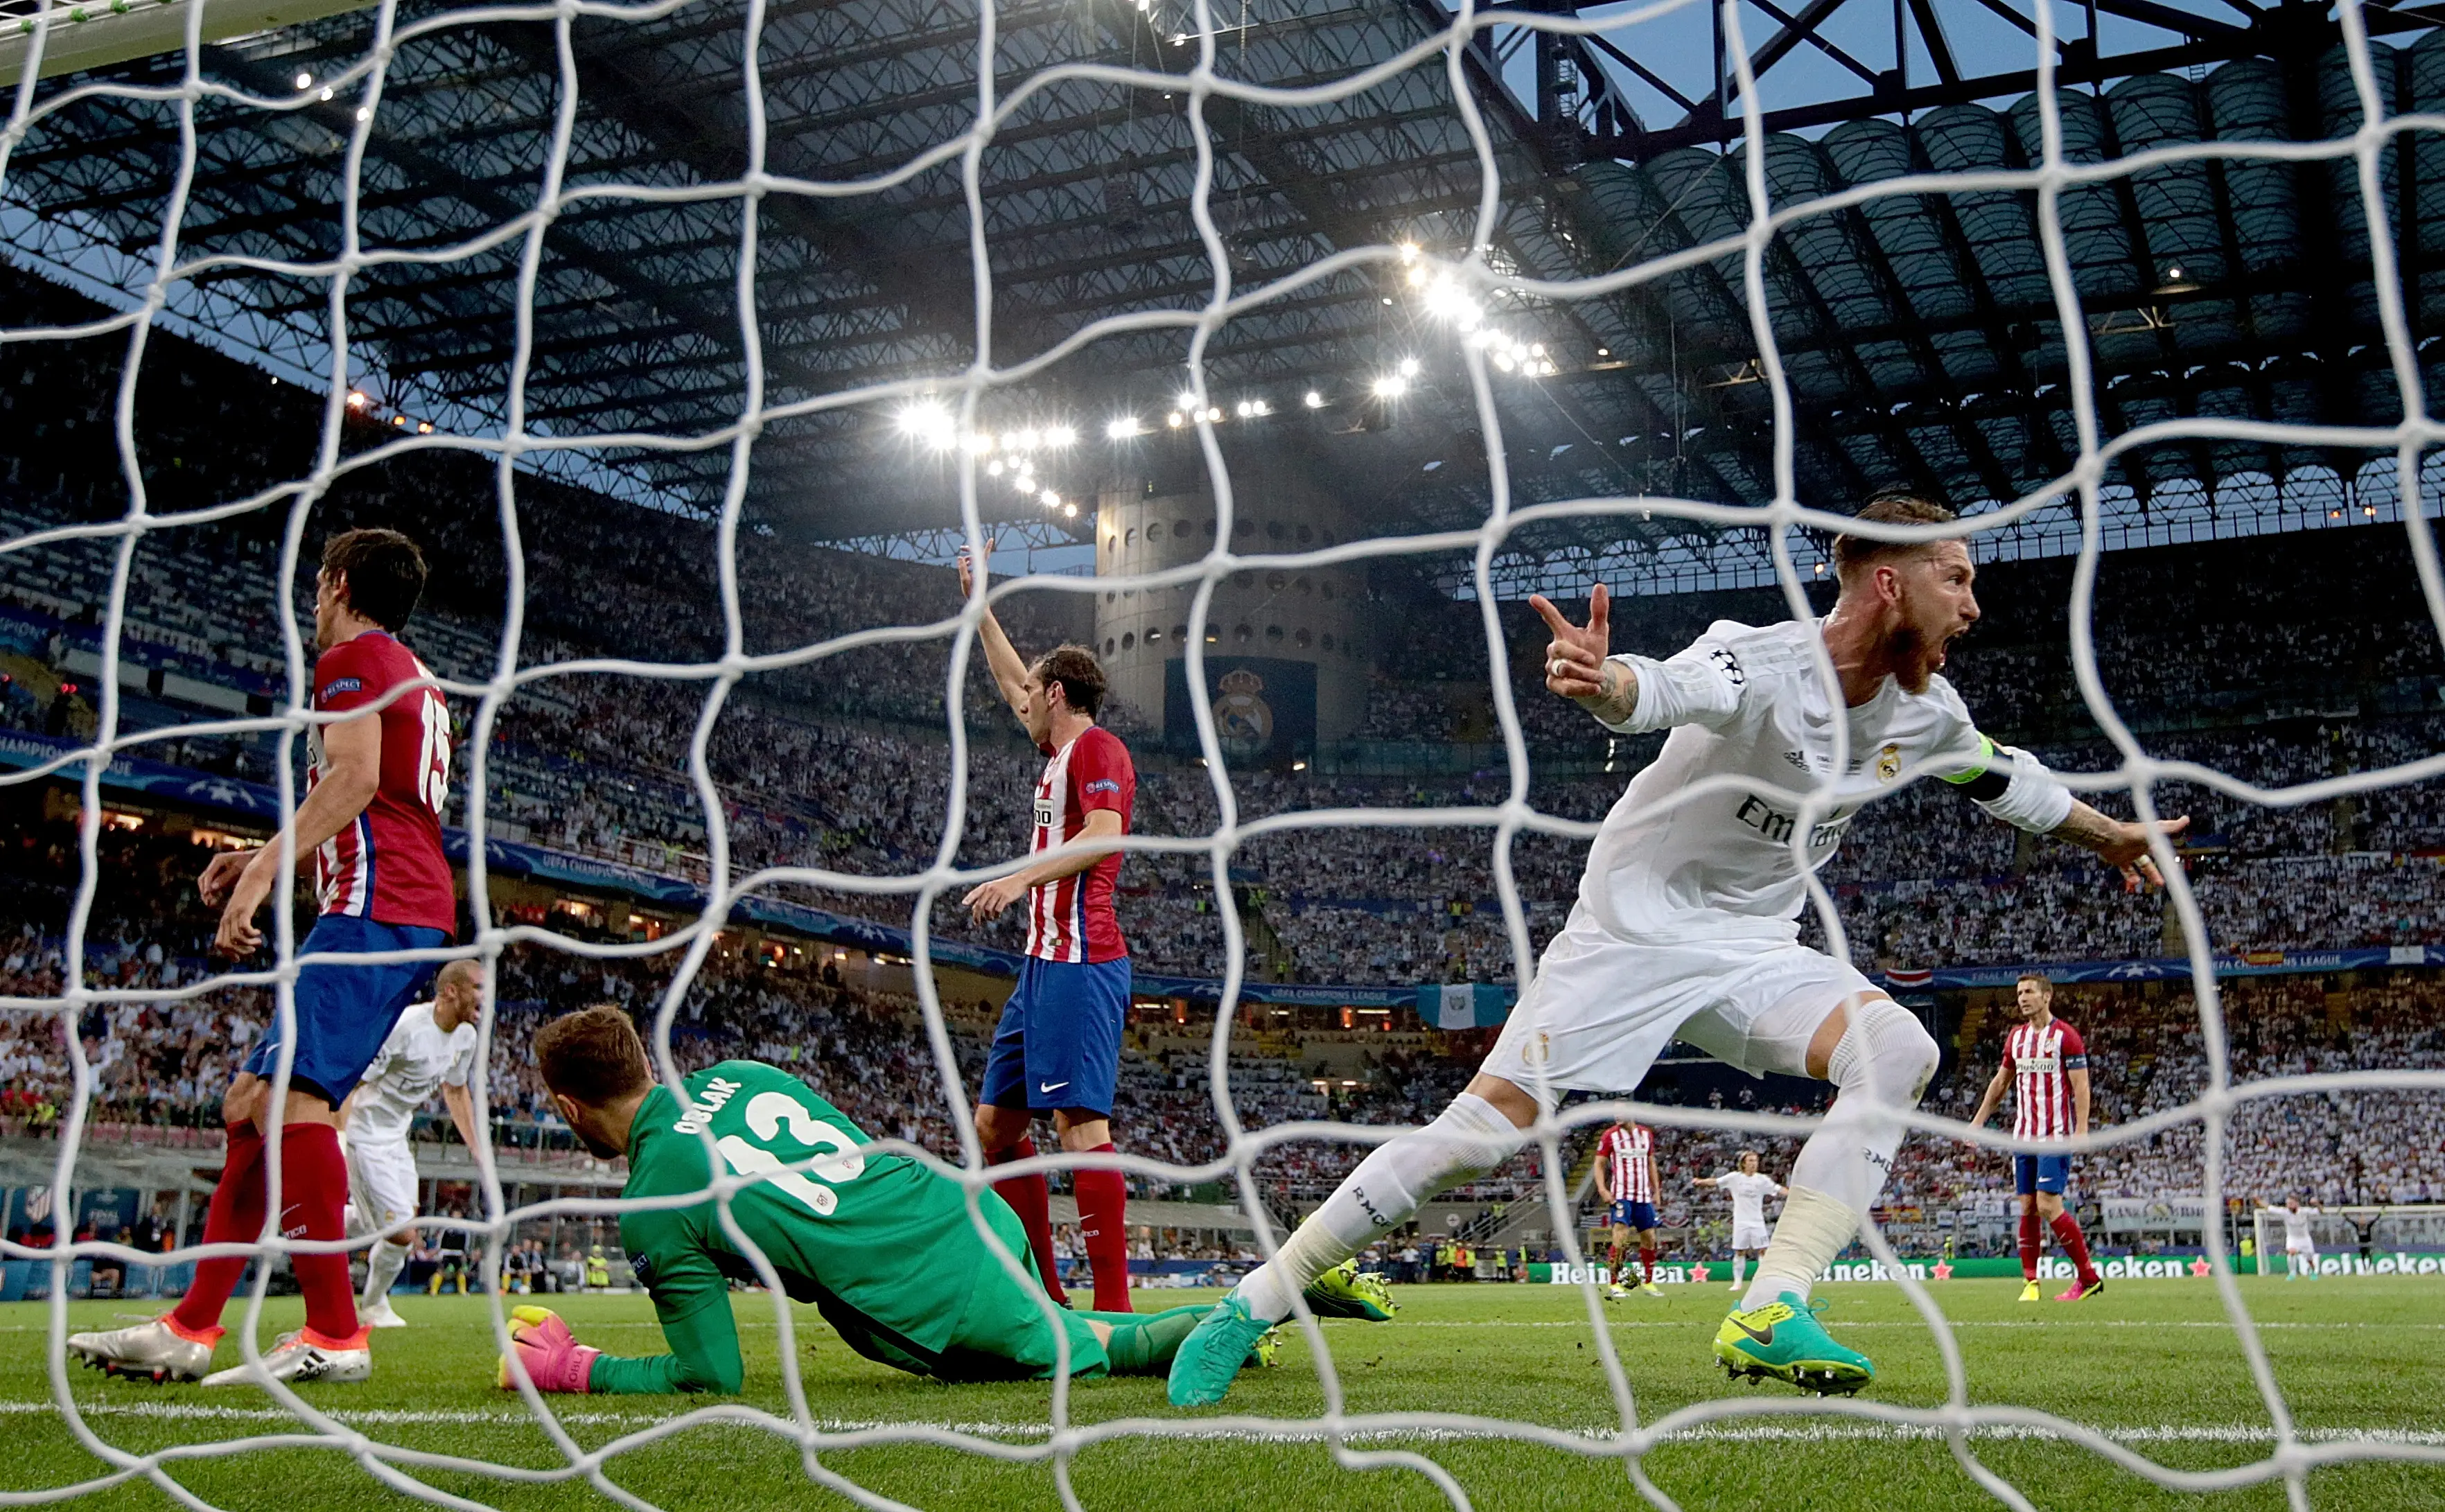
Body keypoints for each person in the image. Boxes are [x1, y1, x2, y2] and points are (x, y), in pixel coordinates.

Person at [1164, 494, 2187, 1407]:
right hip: (1633, 935)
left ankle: (1771, 1305)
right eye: (1956, 579)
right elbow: (1663, 690)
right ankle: (1251, 1303)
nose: (1972, 605)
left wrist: (2114, 836)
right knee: (1477, 1136)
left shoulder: (1926, 714)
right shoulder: (1762, 660)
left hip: (1755, 952)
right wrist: (1603, 679)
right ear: (1890, 581)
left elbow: (2011, 781)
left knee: (1900, 1049)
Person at [493, 1006, 1354, 1394]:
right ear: (646, 1059)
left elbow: (712, 1375)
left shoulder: (650, 1202)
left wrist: (576, 1368)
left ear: (569, 1108)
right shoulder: (740, 1073)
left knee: (1108, 1351)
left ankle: (1269, 1298)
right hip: (960, 1205)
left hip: (931, 1296)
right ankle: (1265, 1308)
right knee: (1085, 1335)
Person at [69, 529, 453, 1387]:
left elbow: (352, 781)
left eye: (319, 581)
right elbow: (378, 800)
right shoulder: (412, 673)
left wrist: (265, 876)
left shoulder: (352, 658)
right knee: (249, 1104)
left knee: (297, 1103)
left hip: (375, 907)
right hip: (390, 901)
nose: (312, 599)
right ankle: (191, 1325)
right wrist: (260, 854)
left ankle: (334, 1330)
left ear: (340, 583)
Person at [956, 543, 1138, 1313]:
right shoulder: (1053, 750)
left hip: (1081, 959)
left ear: (1057, 692)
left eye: (1033, 690)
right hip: (1039, 965)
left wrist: (1016, 877)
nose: (1019, 697)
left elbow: (1103, 835)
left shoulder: (1097, 748)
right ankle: (1049, 1294)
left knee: (1079, 1126)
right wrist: (980, 607)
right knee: (995, 1126)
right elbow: (1005, 677)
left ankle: (1115, 1308)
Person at [339, 959, 482, 1326]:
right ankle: (373, 1306)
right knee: (401, 1232)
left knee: (390, 1220)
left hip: (396, 1136)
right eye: (478, 988)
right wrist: (338, 1136)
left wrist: (478, 1149)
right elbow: (353, 1082)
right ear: (450, 991)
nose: (485, 997)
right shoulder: (403, 1028)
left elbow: (455, 1089)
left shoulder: (467, 1035)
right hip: (365, 1136)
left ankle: (311, 1219)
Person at [1968, 974, 2103, 1303]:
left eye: (2029, 992)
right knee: (2027, 1206)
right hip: (2023, 1136)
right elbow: (2001, 1083)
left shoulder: (2066, 1037)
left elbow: (2081, 1086)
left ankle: (2088, 1278)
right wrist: (1978, 1121)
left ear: (2047, 997)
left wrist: (2082, 1130)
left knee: (2047, 1204)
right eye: (2019, 993)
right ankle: (2031, 1282)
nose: (2023, 998)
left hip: (2054, 1135)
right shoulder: (2016, 1038)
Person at [1694, 1152, 1787, 1294]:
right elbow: (1716, 1181)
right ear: (1743, 1163)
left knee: (1763, 1251)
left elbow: (1778, 1189)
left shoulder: (1762, 1180)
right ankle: (1737, 1283)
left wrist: (1793, 1193)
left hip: (1757, 1221)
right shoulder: (1734, 1178)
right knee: (1740, 1251)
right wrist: (1701, 1181)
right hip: (1741, 1222)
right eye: (1750, 1160)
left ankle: (1763, 1282)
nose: (1753, 1163)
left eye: (1755, 1161)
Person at [1593, 1118, 1663, 1300]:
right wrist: (1602, 1189)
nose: (1617, 1115)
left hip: (1643, 1196)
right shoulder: (1610, 1135)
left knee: (1650, 1238)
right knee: (1620, 1235)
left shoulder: (1646, 1134)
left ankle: (1648, 1282)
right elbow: (1599, 1163)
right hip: (1621, 1196)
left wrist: (1656, 1191)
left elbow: (1650, 1162)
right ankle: (1614, 1283)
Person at [2262, 1197, 2322, 1279]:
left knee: (2309, 1258)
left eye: (2291, 1203)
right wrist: (2257, 1200)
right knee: (2291, 1252)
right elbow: (2269, 1208)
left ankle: (2313, 1272)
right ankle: (2292, 1273)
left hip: (2305, 1238)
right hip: (2292, 1238)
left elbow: (2320, 1211)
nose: (2289, 1206)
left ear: (2297, 1204)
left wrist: (2317, 1203)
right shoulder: (2285, 1212)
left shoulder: (2304, 1211)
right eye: (2288, 1204)